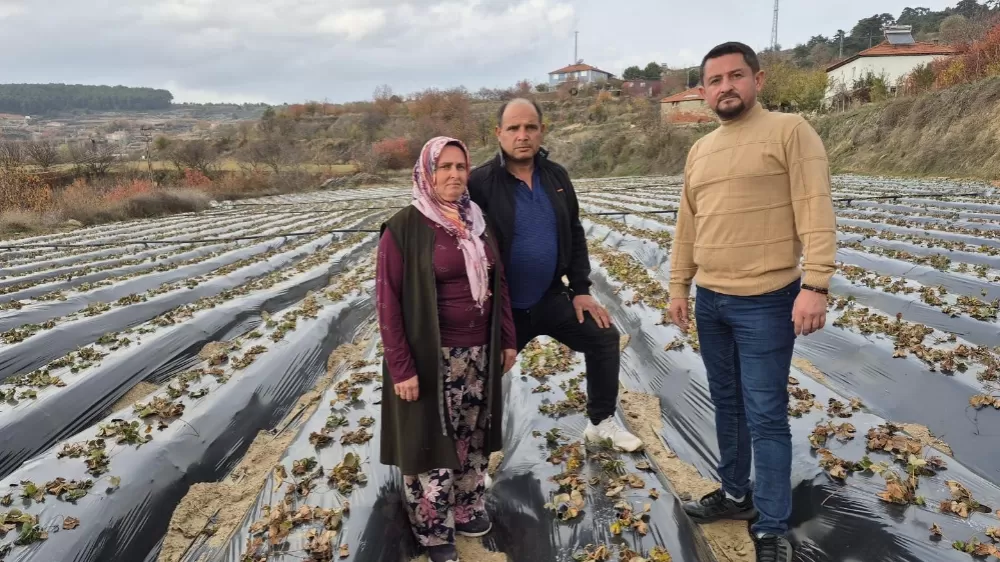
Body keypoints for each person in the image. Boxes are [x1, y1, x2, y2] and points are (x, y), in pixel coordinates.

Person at [667, 42, 837, 562]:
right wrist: (679, 285)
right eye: (715, 80)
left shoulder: (790, 131)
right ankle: (735, 494)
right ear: (703, 92)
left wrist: (816, 284)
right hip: (712, 301)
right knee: (728, 404)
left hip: (767, 300)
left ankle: (770, 526)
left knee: (765, 414)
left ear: (757, 80)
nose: (726, 87)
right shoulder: (701, 150)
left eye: (735, 76)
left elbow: (815, 207)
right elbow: (688, 224)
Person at [467, 98, 642, 452]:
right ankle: (477, 453)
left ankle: (600, 423)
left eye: (530, 127)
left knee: (603, 337)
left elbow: (574, 232)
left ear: (542, 131)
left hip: (549, 296)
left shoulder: (556, 176)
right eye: (513, 128)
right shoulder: (480, 182)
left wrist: (580, 289)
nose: (522, 135)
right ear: (499, 133)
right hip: (504, 307)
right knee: (484, 371)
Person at [376, 136, 517, 562]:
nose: (454, 175)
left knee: (472, 434)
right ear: (427, 173)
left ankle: (466, 506)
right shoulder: (404, 228)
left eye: (460, 166)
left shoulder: (477, 222)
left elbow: (499, 285)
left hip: (479, 352)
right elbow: (387, 302)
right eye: (444, 167)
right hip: (432, 357)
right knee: (431, 441)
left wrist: (507, 339)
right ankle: (433, 528)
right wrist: (402, 368)